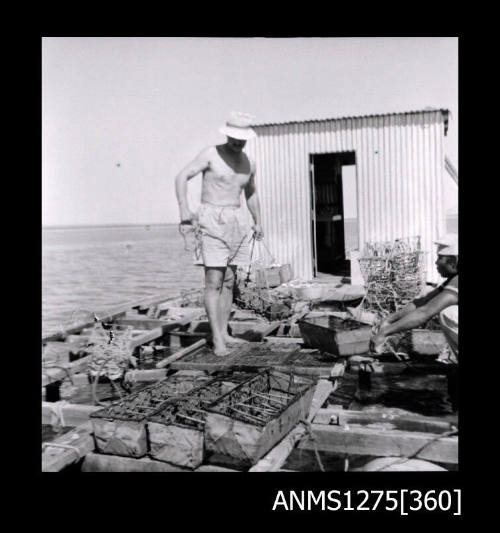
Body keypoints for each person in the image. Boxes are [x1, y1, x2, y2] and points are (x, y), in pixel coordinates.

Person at [175, 111, 264, 356]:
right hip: (212, 220)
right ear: (226, 134)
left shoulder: (249, 163)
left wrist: (258, 220)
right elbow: (182, 175)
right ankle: (217, 339)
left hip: (238, 221)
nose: (238, 142)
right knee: (213, 281)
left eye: (242, 139)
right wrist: (184, 207)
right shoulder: (210, 154)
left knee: (229, 281)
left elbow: (251, 193)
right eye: (234, 137)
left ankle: (225, 332)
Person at [370, 234, 459, 407]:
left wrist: (385, 333)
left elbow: (425, 312)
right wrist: (389, 319)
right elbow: (422, 302)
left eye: (440, 258)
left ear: (453, 261)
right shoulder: (452, 280)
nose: (436, 263)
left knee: (448, 313)